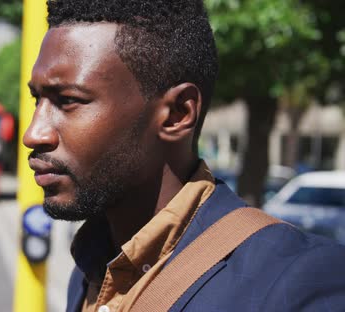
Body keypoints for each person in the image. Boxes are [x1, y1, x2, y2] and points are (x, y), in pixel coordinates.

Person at [23, 0, 345, 311]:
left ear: (177, 114)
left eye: (67, 100)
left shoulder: (294, 284)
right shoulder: (89, 270)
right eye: (37, 99)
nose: (33, 133)